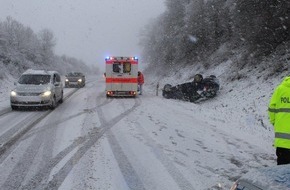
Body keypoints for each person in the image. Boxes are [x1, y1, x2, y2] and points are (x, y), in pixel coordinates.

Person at [268, 76, 290, 165]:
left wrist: (275, 122)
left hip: (282, 141)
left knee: (282, 173)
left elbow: (271, 108)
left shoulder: (280, 89)